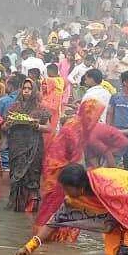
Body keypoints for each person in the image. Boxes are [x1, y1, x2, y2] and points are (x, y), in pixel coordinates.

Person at [37, 98, 105, 242]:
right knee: (60, 203)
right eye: (95, 116)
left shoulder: (82, 126)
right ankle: (50, 237)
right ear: (88, 114)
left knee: (65, 203)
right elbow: (76, 158)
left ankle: (55, 236)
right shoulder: (75, 127)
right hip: (58, 169)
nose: (97, 119)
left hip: (63, 166)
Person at [5, 78, 48, 212]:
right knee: (17, 177)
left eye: (29, 89)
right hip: (16, 146)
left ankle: (31, 208)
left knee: (32, 174)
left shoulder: (40, 108)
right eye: (24, 88)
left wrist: (37, 125)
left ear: (34, 90)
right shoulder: (14, 107)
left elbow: (49, 127)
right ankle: (16, 206)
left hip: (34, 146)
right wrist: (10, 124)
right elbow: (5, 126)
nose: (27, 91)